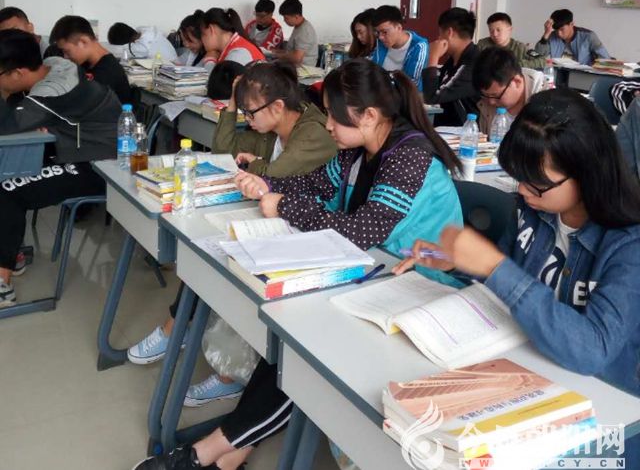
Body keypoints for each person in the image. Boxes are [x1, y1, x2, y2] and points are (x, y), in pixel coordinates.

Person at [133, 58, 462, 470]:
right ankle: (229, 452)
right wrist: (266, 184)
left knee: (305, 348)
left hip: (421, 290)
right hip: (371, 273)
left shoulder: (408, 156)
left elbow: (364, 229)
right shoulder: (357, 149)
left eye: (335, 118)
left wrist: (285, 206)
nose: (328, 126)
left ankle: (209, 452)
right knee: (292, 332)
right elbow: (315, 183)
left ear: (368, 116)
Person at [396, 88, 640, 398]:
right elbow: (504, 282)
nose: (523, 191)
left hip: (604, 395)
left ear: (587, 175)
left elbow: (593, 351)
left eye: (536, 184)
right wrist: (459, 262)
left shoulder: (629, 243)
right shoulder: (534, 209)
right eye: (519, 178)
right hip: (528, 363)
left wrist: (493, 265)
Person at [127, 61, 336, 407]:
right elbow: (224, 150)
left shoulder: (312, 131)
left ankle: (224, 368)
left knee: (230, 264)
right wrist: (235, 106)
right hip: (274, 216)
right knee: (208, 252)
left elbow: (274, 173)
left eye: (251, 112)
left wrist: (254, 164)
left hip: (305, 230)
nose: (248, 119)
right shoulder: (271, 127)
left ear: (277, 106)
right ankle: (178, 329)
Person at [0, 30, 121, 306]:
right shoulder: (55, 65)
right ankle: (10, 252)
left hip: (101, 165)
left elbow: (6, 128)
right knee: (9, 172)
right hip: (77, 149)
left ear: (18, 73)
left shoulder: (50, 93)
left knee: (6, 189)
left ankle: (3, 285)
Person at [50, 15, 132, 105]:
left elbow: (80, 105)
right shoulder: (86, 63)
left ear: (83, 42)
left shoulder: (106, 72)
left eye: (67, 51)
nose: (65, 57)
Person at [422, 7, 480, 126]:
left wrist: (433, 57)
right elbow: (434, 88)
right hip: (446, 125)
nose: (438, 38)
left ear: (449, 33)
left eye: (440, 34)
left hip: (466, 129)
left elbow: (432, 97)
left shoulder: (472, 62)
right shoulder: (453, 59)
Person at [472, 47, 548, 135]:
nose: (491, 102)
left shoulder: (545, 102)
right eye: (485, 95)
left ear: (517, 82)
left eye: (495, 96)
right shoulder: (487, 102)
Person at [370, 5, 429, 90]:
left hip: (406, 95)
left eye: (385, 32)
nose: (380, 37)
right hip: (381, 92)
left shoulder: (419, 46)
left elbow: (412, 84)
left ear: (399, 28)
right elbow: (374, 70)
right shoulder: (381, 42)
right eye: (378, 32)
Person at [535, 9, 610, 65]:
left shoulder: (588, 36)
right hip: (558, 73)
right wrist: (546, 34)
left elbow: (605, 59)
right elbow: (537, 55)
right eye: (556, 30)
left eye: (562, 29)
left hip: (583, 75)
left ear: (571, 24)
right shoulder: (552, 36)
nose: (559, 33)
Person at [476, 12, 545, 70]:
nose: (495, 34)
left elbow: (542, 60)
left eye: (498, 30)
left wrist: (516, 65)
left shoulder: (520, 47)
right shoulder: (483, 44)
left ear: (510, 30)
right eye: (491, 31)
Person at [201, 8, 265, 69]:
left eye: (203, 34)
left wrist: (210, 61)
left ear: (211, 29)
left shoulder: (237, 54)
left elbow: (217, 77)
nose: (202, 40)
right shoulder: (235, 45)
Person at [275, 0, 318, 67]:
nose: (284, 20)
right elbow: (292, 51)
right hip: (294, 66)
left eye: (286, 18)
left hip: (303, 69)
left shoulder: (304, 31)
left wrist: (280, 55)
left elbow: (297, 58)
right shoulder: (299, 26)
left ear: (296, 16)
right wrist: (276, 52)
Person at [106, 22, 177, 61]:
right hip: (172, 62)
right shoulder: (146, 31)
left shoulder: (143, 46)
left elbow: (122, 54)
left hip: (170, 68)